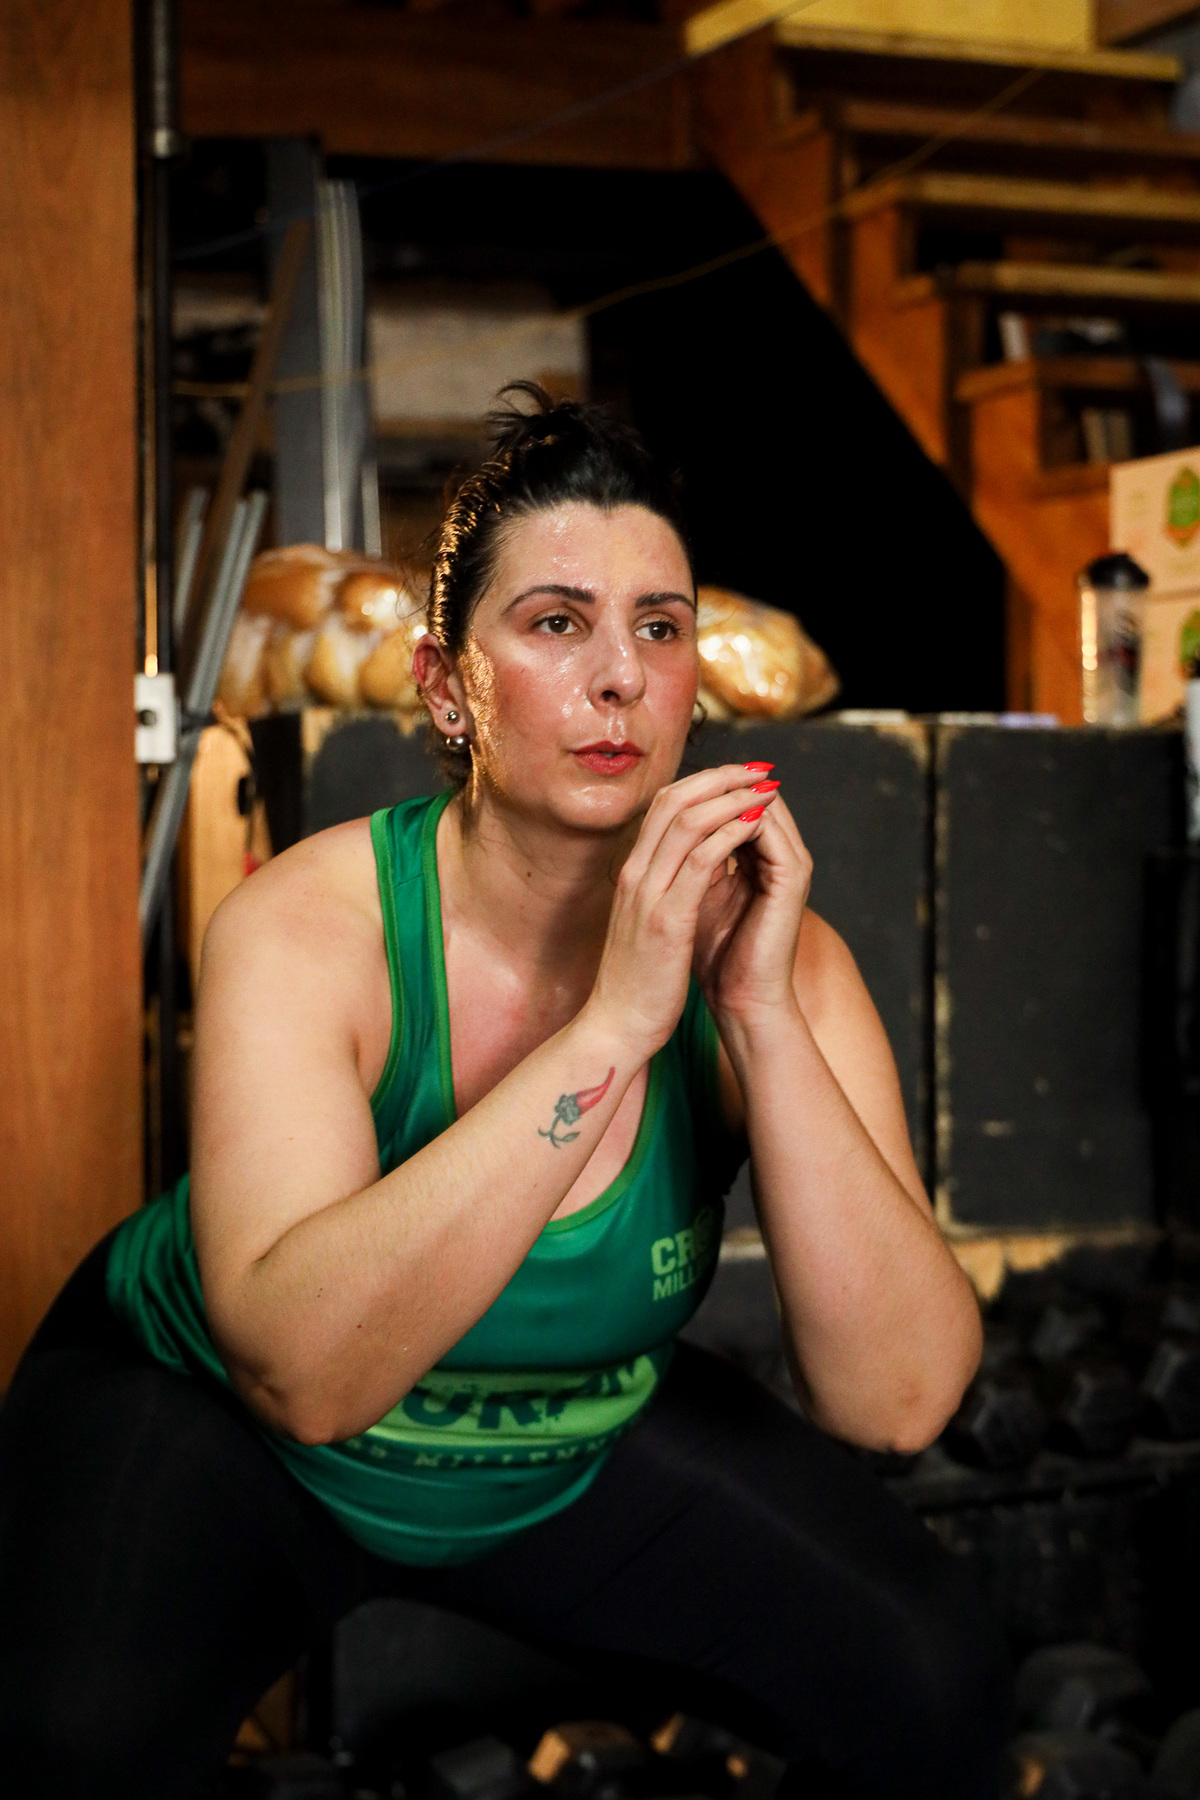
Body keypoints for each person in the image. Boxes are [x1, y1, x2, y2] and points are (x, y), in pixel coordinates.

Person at [0, 387, 1008, 1798]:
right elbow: (310, 1380)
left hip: (557, 1439)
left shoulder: (781, 958)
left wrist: (757, 1012)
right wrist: (613, 1029)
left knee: (932, 1670)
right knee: (66, 1746)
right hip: (226, 1425)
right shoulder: (311, 928)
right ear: (444, 684)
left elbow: (898, 1401)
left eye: (660, 628)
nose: (621, 677)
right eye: (556, 623)